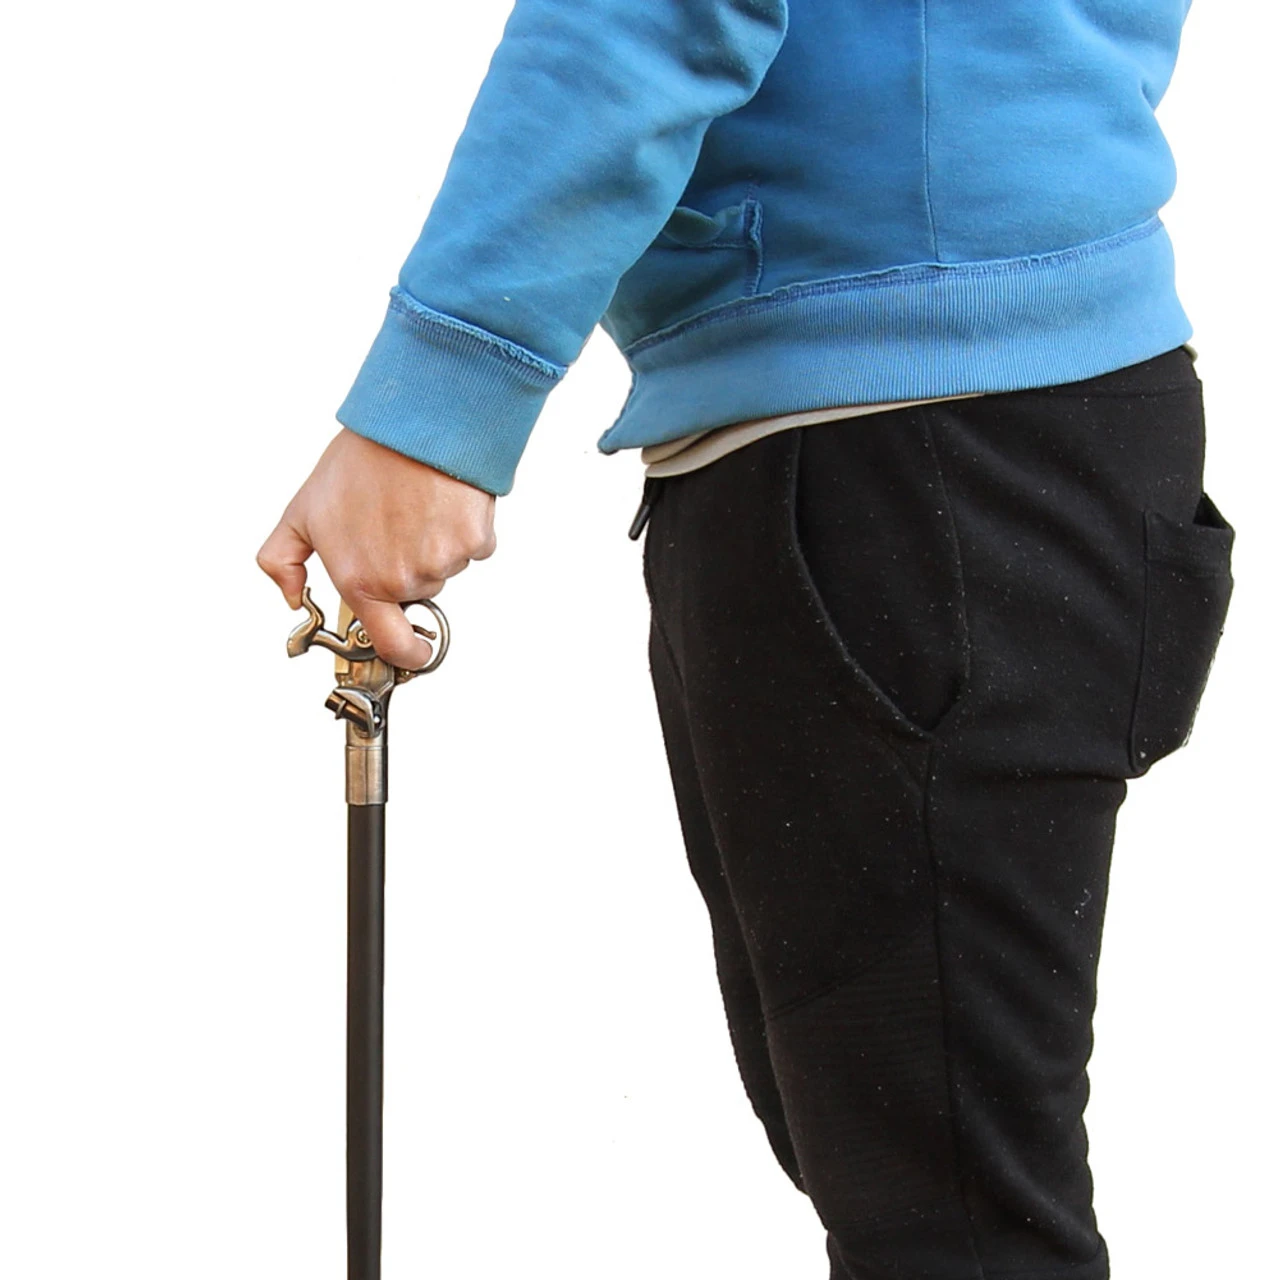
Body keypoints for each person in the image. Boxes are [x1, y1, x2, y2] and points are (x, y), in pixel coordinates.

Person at [257, 2, 1237, 1276]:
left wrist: (439, 395)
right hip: (953, 424)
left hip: (912, 443)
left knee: (946, 1220)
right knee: (915, 1178)